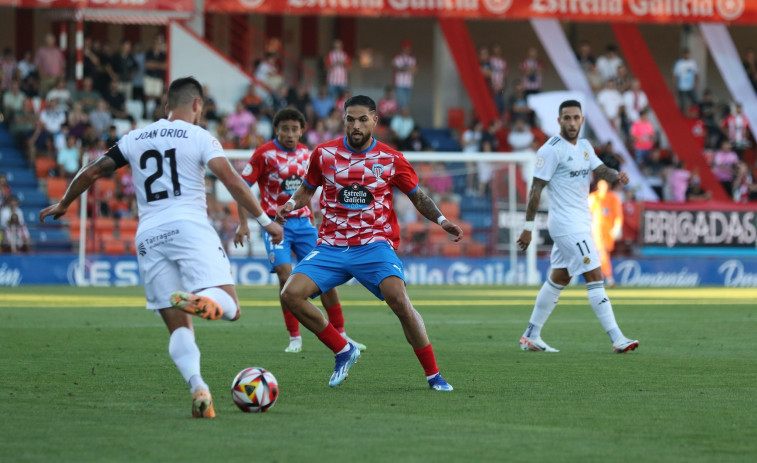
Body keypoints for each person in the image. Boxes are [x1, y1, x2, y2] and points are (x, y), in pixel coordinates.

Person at [39, 77, 284, 418]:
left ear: (167, 105)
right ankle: (207, 301)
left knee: (179, 327)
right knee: (230, 306)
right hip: (189, 226)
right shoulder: (200, 136)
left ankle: (199, 387)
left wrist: (65, 202)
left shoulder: (135, 137)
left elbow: (93, 171)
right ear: (197, 105)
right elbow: (232, 180)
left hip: (149, 235)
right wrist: (264, 221)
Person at [275, 95, 462, 390]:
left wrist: (441, 220)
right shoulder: (323, 154)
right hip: (331, 246)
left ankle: (434, 375)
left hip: (373, 244)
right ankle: (343, 349)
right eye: (350, 119)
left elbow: (418, 196)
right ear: (343, 120)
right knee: (289, 295)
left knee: (399, 300)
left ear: (375, 120)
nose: (356, 125)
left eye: (363, 119)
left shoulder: (391, 158)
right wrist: (290, 204)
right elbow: (306, 190)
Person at [233, 108, 366, 353]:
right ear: (277, 130)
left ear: (302, 131)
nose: (290, 134)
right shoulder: (264, 154)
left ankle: (342, 334)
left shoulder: (308, 154)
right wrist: (243, 223)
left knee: (327, 278)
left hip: (305, 225)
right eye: (285, 129)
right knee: (286, 276)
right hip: (277, 226)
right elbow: (241, 187)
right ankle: (295, 337)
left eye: (295, 129)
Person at [516, 100, 639, 354]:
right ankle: (618, 338)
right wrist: (528, 226)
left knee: (559, 277)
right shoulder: (550, 150)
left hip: (582, 221)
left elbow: (600, 169)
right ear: (559, 121)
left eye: (576, 118)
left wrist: (617, 175)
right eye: (567, 118)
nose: (572, 123)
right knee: (595, 275)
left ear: (582, 120)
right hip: (565, 224)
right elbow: (535, 189)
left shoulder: (584, 147)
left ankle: (531, 335)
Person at [588, 180, 623, 287]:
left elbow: (618, 214)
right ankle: (608, 278)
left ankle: (599, 277)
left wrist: (617, 227)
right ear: (598, 184)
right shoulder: (593, 197)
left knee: (604, 254)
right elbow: (587, 213)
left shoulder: (613, 197)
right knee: (602, 253)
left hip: (608, 230)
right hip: (596, 230)